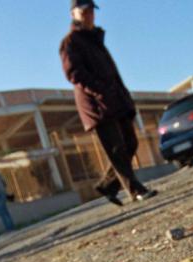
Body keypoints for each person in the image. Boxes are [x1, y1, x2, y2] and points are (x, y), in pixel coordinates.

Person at [59, 0, 157, 206]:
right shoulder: (71, 42)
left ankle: (108, 185)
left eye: (91, 10)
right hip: (98, 105)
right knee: (116, 149)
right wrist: (99, 91)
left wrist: (123, 95)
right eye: (83, 11)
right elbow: (74, 73)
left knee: (130, 143)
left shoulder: (95, 40)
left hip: (116, 100)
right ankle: (135, 190)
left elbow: (112, 72)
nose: (88, 15)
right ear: (73, 14)